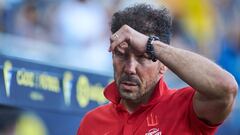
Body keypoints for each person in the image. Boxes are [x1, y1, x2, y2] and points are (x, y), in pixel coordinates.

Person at [77, 4, 238, 135]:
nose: (130, 68)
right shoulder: (92, 121)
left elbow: (226, 88)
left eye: (143, 57)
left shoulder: (186, 108)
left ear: (163, 65)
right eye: (121, 55)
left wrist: (150, 45)